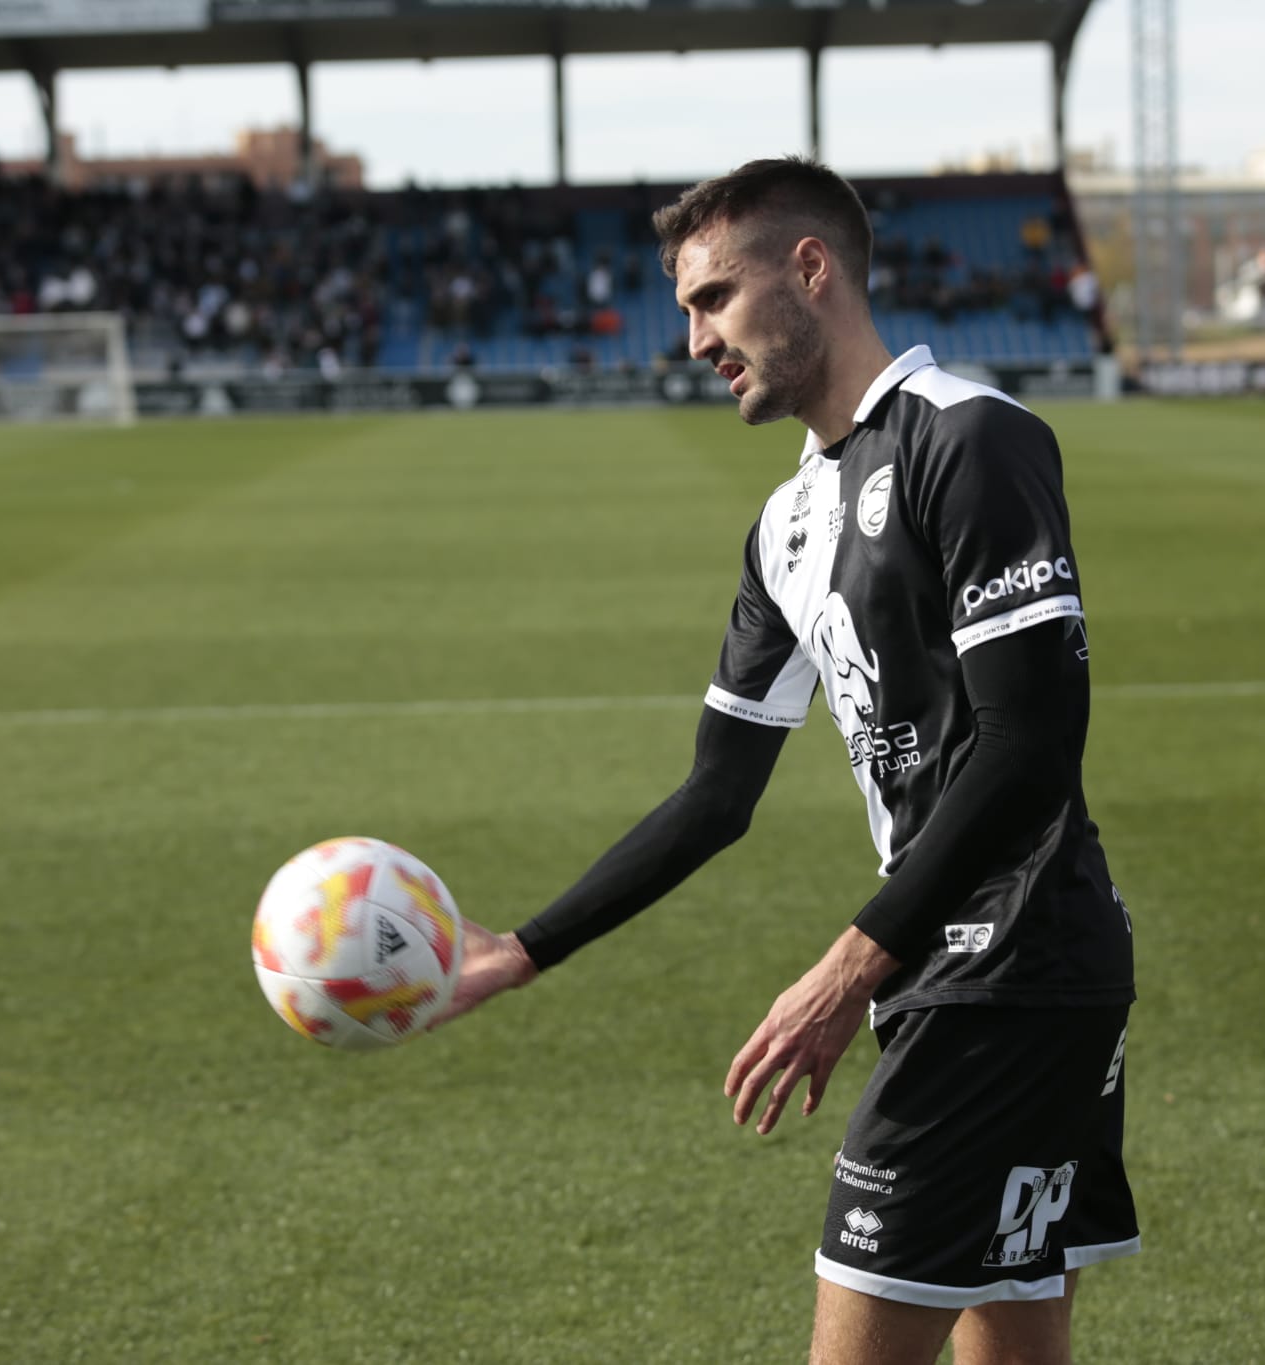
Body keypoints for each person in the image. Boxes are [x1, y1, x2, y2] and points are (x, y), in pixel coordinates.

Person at [434, 157, 1138, 1365]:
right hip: (973, 972)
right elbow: (716, 794)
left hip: (1008, 965)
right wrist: (526, 947)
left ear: (809, 271)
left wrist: (847, 968)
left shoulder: (969, 441)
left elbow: (1030, 747)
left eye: (712, 297)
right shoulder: (785, 526)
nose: (693, 337)